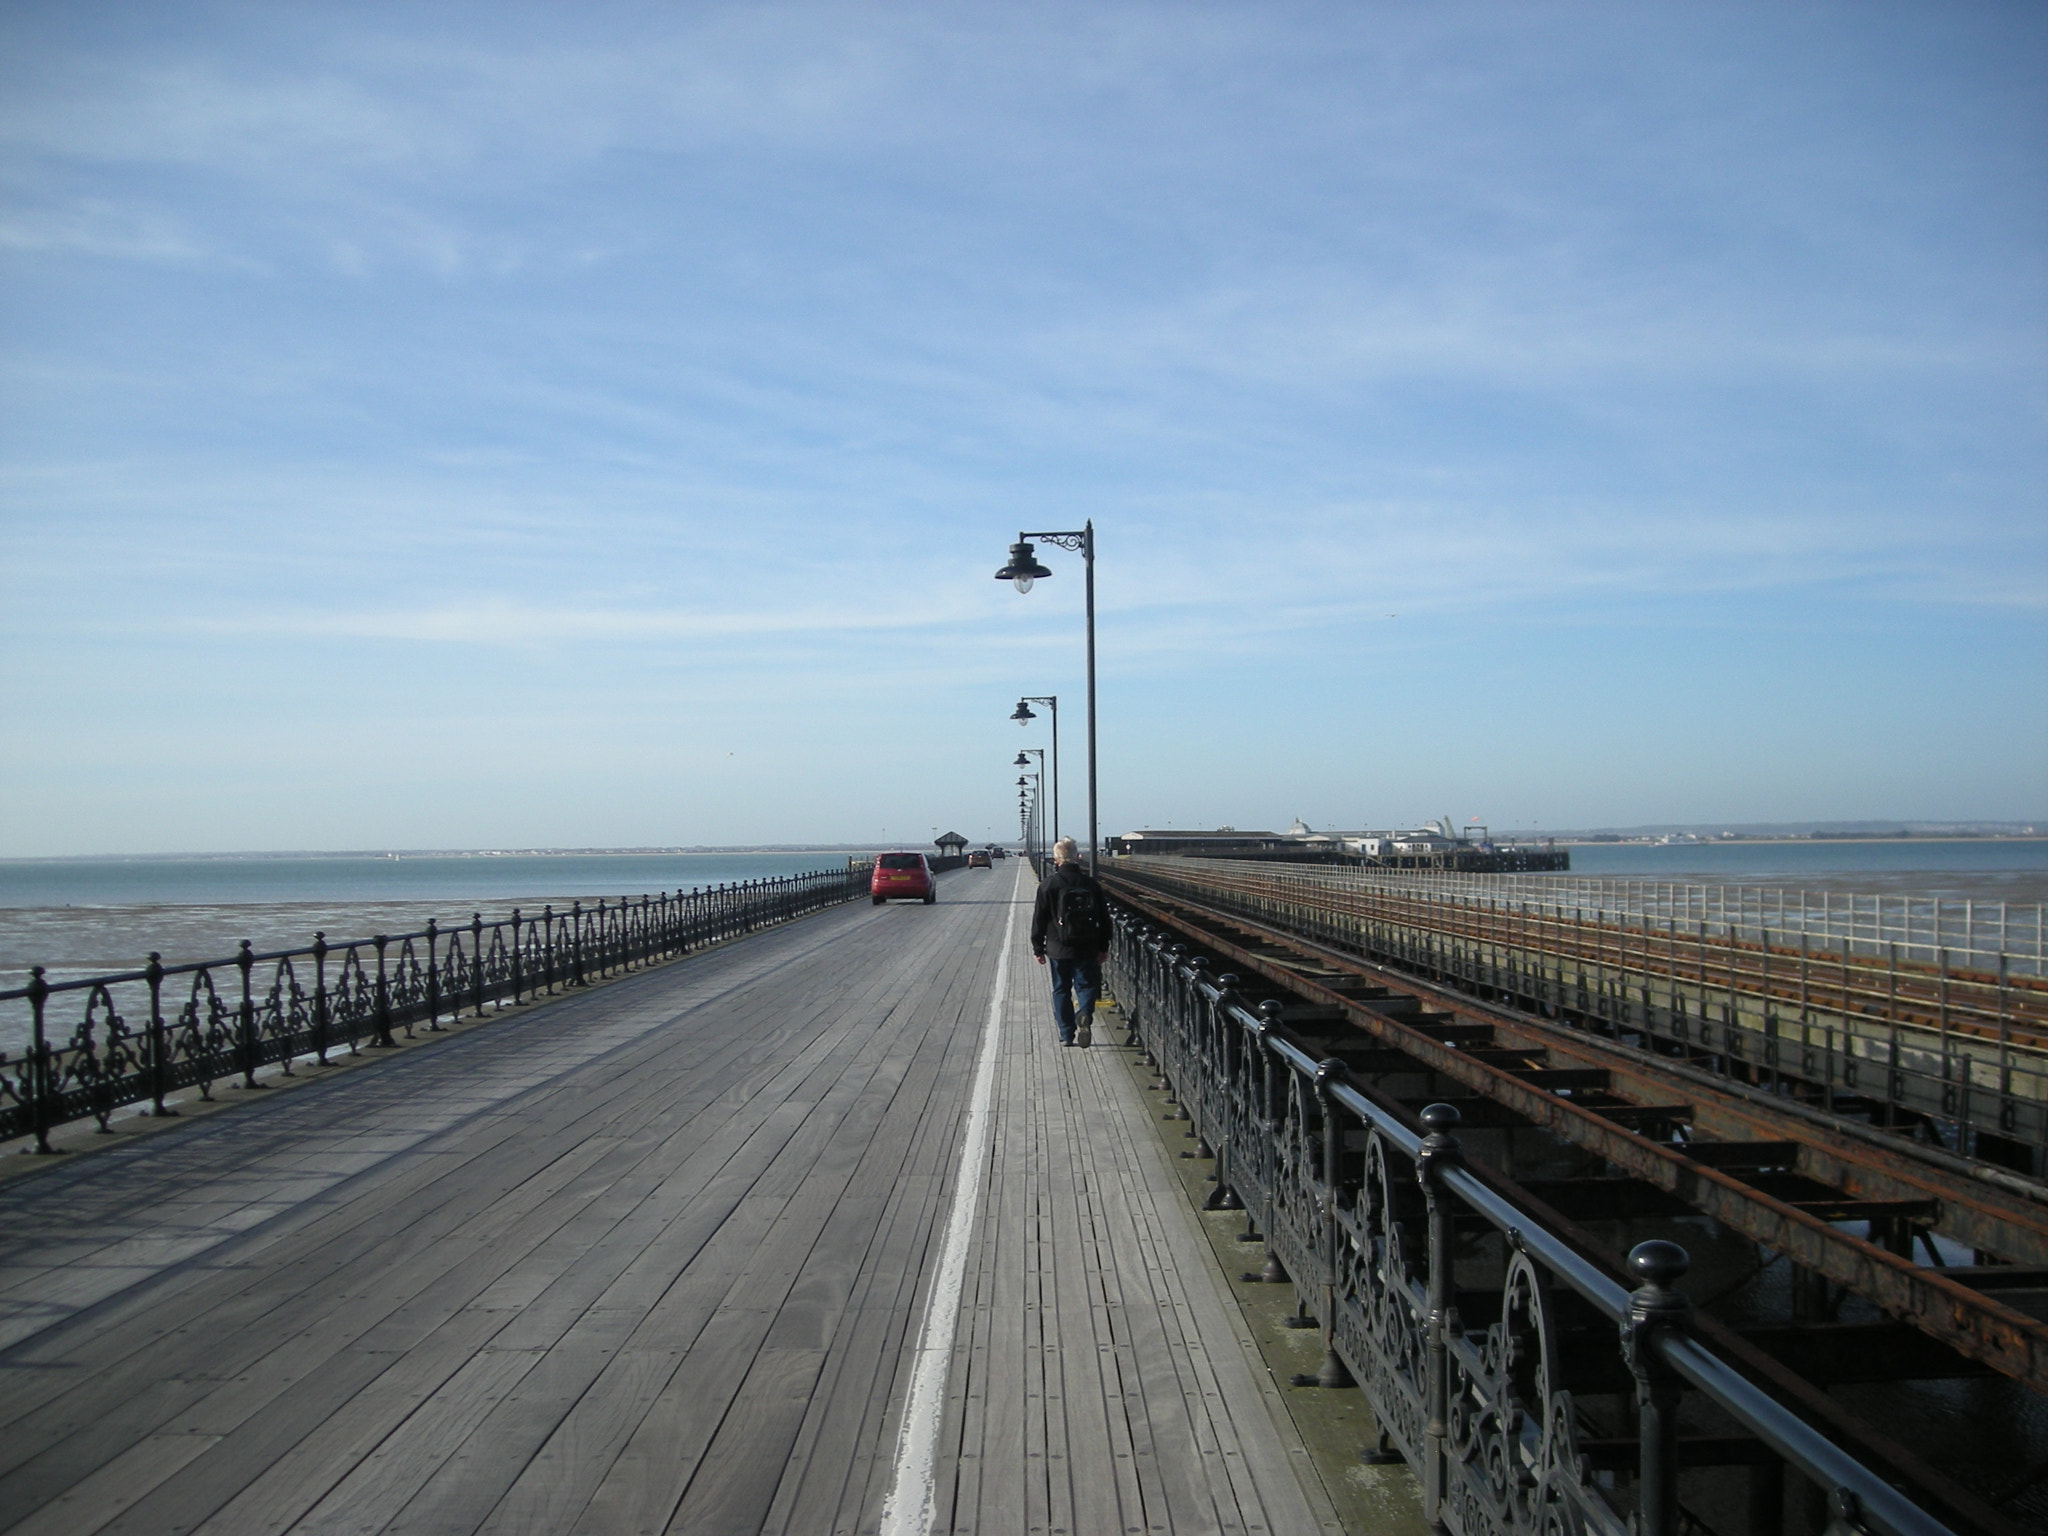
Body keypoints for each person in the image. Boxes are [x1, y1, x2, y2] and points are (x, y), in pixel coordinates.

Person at [1030, 837, 1111, 1047]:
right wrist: (1104, 947)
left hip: (1058, 947)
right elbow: (1104, 918)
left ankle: (1067, 1034)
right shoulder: (1090, 884)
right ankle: (1084, 1013)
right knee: (1085, 985)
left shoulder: (1049, 884)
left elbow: (1039, 918)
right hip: (1087, 945)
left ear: (1056, 859)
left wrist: (1038, 947)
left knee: (1061, 989)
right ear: (1076, 856)